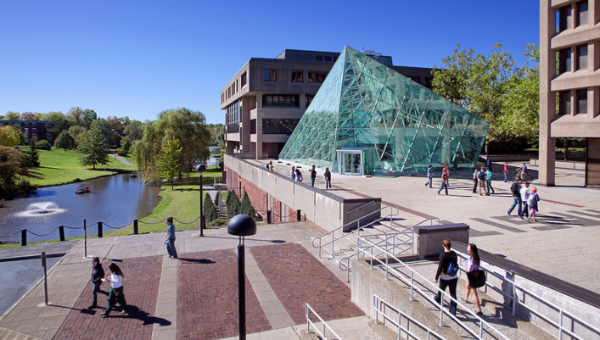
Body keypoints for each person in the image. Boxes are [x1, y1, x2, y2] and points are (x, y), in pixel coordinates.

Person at [433, 239, 458, 316]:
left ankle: (438, 299)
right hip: (454, 277)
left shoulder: (443, 255)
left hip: (445, 277)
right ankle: (453, 311)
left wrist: (436, 277)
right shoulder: (454, 253)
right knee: (453, 294)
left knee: (441, 291)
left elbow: (440, 267)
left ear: (443, 245)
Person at [463, 243, 483, 316]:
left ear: (472, 250)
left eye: (469, 248)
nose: (467, 249)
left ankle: (479, 310)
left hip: (472, 277)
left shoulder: (472, 259)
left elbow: (470, 269)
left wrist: (466, 269)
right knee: (467, 285)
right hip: (475, 275)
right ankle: (465, 298)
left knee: (474, 294)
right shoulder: (476, 257)